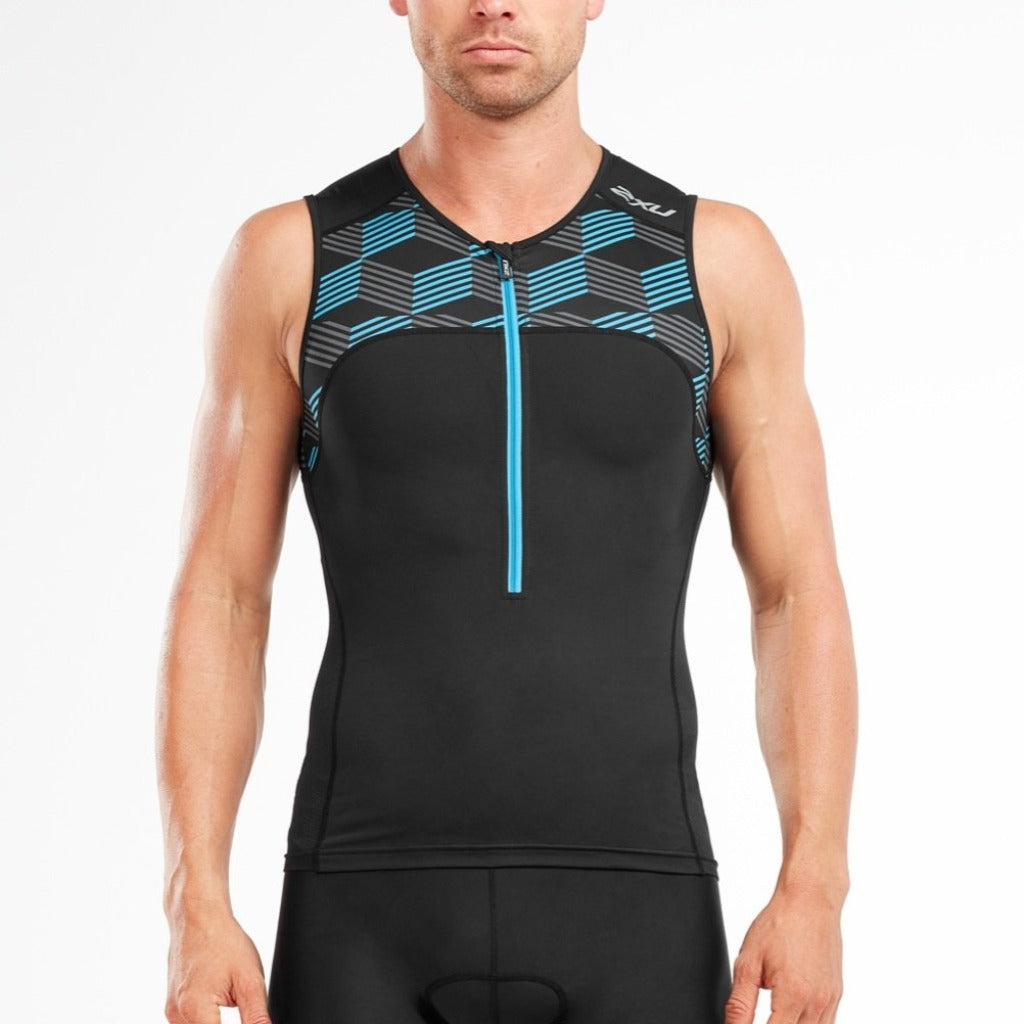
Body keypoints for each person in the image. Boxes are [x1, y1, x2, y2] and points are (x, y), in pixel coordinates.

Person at [156, 1, 857, 1022]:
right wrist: (194, 899)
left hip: (639, 909)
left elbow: (796, 593)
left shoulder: (710, 260)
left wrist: (815, 885)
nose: (496, 2)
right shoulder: (297, 258)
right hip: (362, 910)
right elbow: (222, 596)